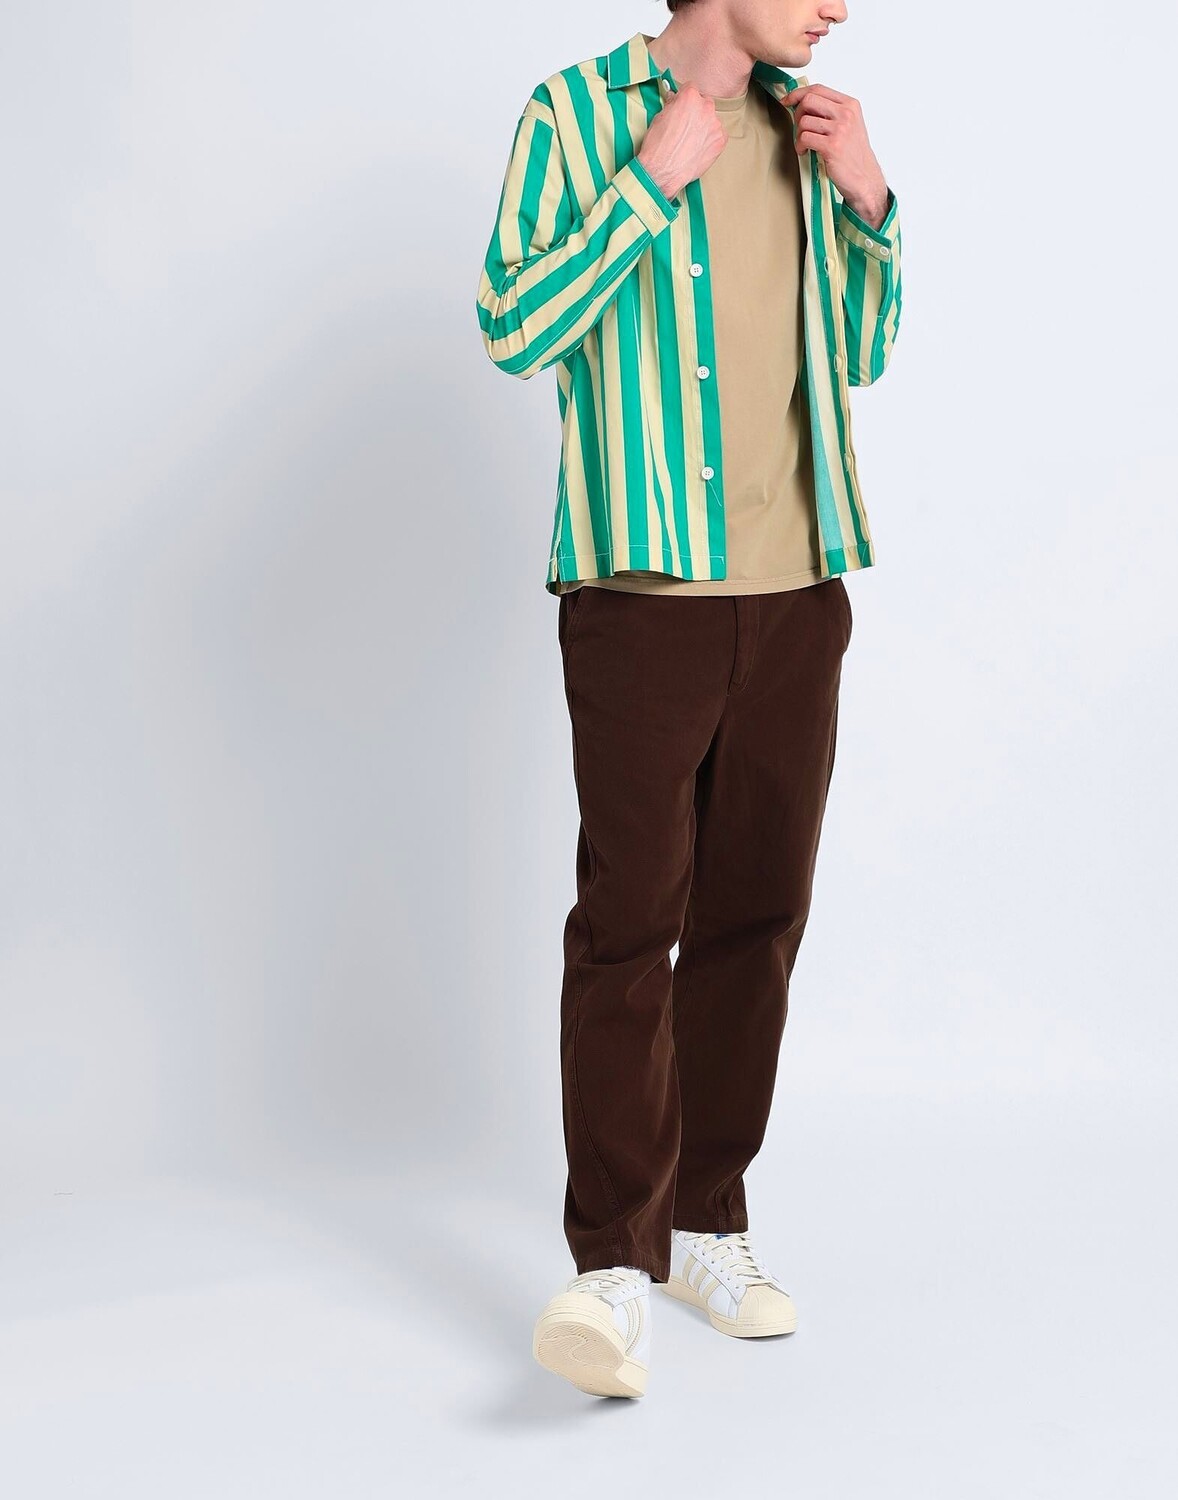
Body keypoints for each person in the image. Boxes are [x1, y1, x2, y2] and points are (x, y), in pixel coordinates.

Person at [475, 0, 902, 1400]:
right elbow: (513, 327)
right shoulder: (575, 115)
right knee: (629, 925)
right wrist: (649, 182)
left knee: (755, 919)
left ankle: (708, 1223)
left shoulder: (804, 127)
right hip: (643, 596)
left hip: (797, 593)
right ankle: (610, 1262)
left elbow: (859, 351)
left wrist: (868, 202)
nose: (838, 6)